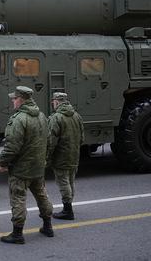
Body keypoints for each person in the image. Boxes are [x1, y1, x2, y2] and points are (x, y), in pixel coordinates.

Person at [0, 86, 54, 244]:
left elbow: (11, 146)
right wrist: (43, 160)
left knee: (18, 199)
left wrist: (2, 163)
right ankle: (48, 226)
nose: (12, 102)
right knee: (42, 196)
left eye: (14, 99)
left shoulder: (19, 119)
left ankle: (17, 234)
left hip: (21, 169)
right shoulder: (42, 116)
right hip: (38, 167)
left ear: (21, 100)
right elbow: (49, 142)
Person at [48, 92, 85, 220]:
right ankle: (69, 206)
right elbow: (82, 138)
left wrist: (47, 156)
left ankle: (68, 210)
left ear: (57, 102)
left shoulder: (56, 118)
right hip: (74, 155)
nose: (53, 104)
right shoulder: (77, 116)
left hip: (61, 157)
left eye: (53, 102)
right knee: (70, 181)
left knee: (63, 182)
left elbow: (51, 141)